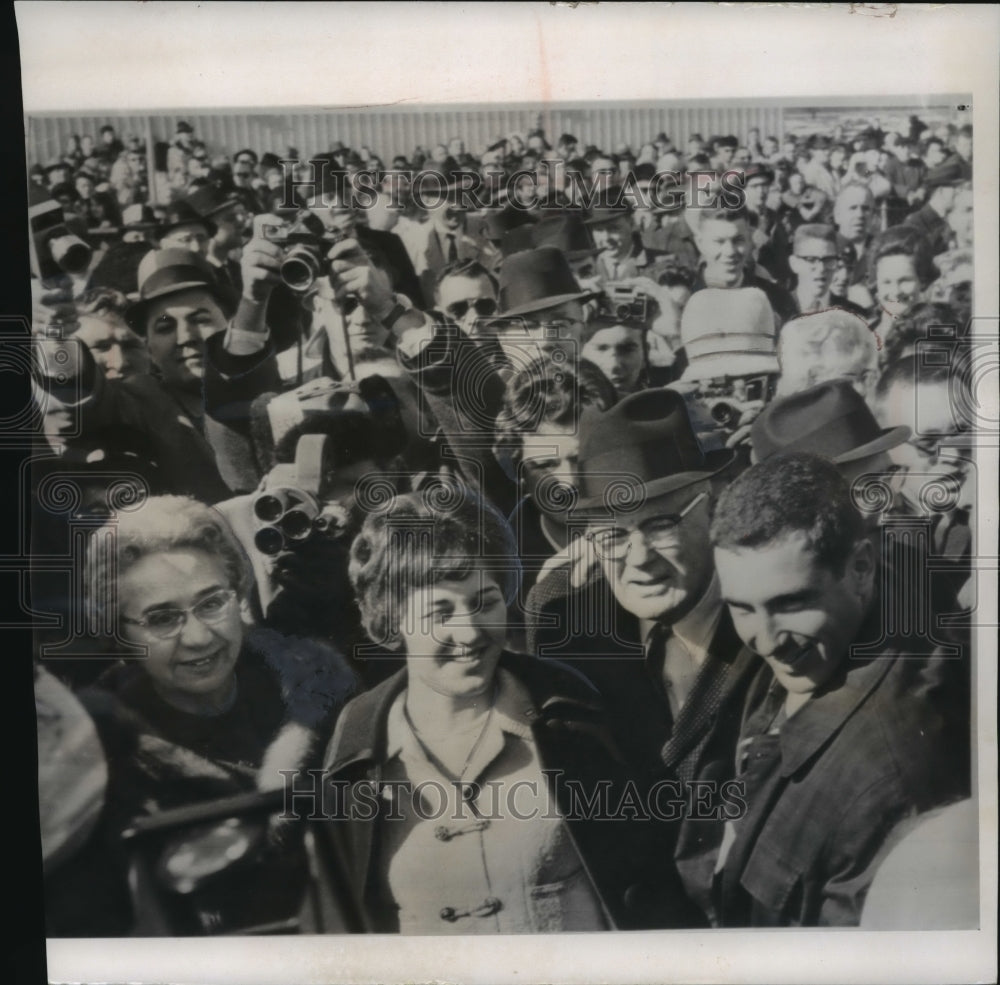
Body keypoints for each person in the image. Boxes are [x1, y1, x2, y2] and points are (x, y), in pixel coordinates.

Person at [310, 485, 697, 933]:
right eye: (439, 613)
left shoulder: (569, 714)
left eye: (484, 602)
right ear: (390, 620)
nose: (470, 632)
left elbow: (651, 885)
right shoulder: (356, 753)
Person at [77, 495, 357, 934]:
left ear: (238, 592)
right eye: (162, 618)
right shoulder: (99, 761)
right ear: (121, 632)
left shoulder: (331, 698)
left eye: (212, 603)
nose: (198, 637)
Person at [709, 453, 963, 926]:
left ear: (861, 567)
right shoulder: (814, 652)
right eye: (741, 609)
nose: (764, 642)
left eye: (791, 603)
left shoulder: (892, 776)